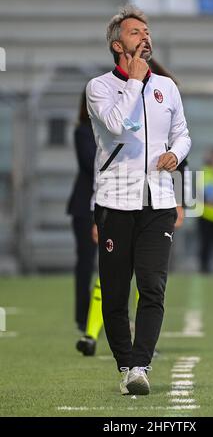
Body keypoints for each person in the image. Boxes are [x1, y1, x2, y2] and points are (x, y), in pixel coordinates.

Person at [86, 5, 191, 395]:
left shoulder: (168, 88)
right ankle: (125, 362)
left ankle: (139, 367)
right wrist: (134, 82)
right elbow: (116, 126)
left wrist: (176, 155)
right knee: (115, 294)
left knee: (152, 287)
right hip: (114, 203)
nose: (145, 37)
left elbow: (183, 134)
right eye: (135, 33)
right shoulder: (98, 87)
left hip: (158, 203)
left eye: (147, 31)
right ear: (118, 44)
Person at [67, 91, 97, 332]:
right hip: (85, 205)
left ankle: (110, 314)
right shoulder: (83, 131)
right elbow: (91, 163)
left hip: (111, 202)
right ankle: (83, 317)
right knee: (85, 262)